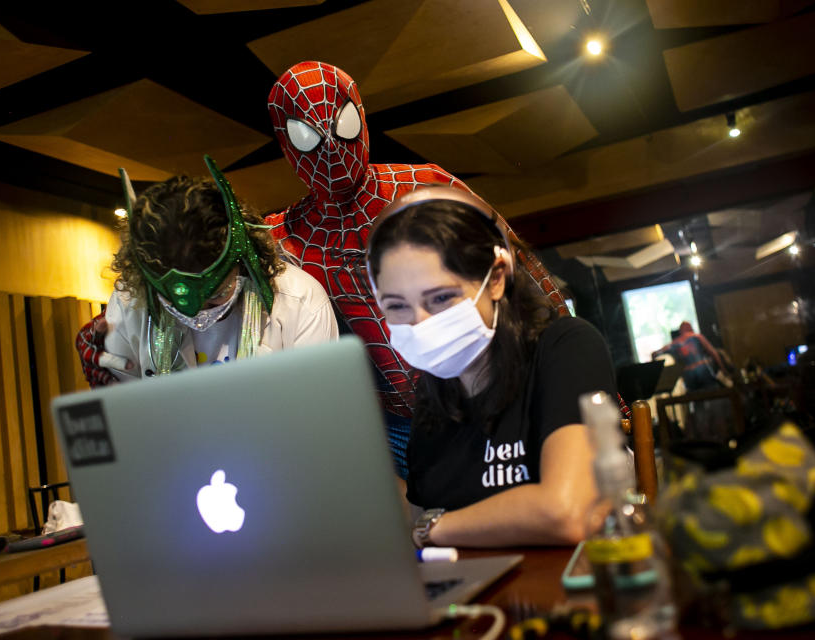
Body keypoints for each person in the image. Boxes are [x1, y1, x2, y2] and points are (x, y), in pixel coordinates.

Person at [76, 61, 569, 477]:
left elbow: (517, 267)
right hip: (398, 421)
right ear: (287, 143)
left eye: (343, 124)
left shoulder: (425, 185)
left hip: (492, 386)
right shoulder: (280, 237)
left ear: (362, 116)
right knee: (420, 530)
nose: (332, 147)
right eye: (308, 135)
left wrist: (573, 374)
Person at [365, 186, 619, 547]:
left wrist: (427, 530)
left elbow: (567, 511)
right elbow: (425, 507)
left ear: (497, 277)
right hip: (471, 592)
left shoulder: (565, 347)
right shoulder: (432, 391)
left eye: (440, 298)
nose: (419, 323)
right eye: (397, 306)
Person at [97, 156, 337, 380]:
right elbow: (127, 404)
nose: (198, 316)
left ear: (242, 260)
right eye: (175, 303)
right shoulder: (129, 304)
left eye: (216, 296)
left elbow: (319, 409)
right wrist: (105, 373)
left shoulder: (300, 300)